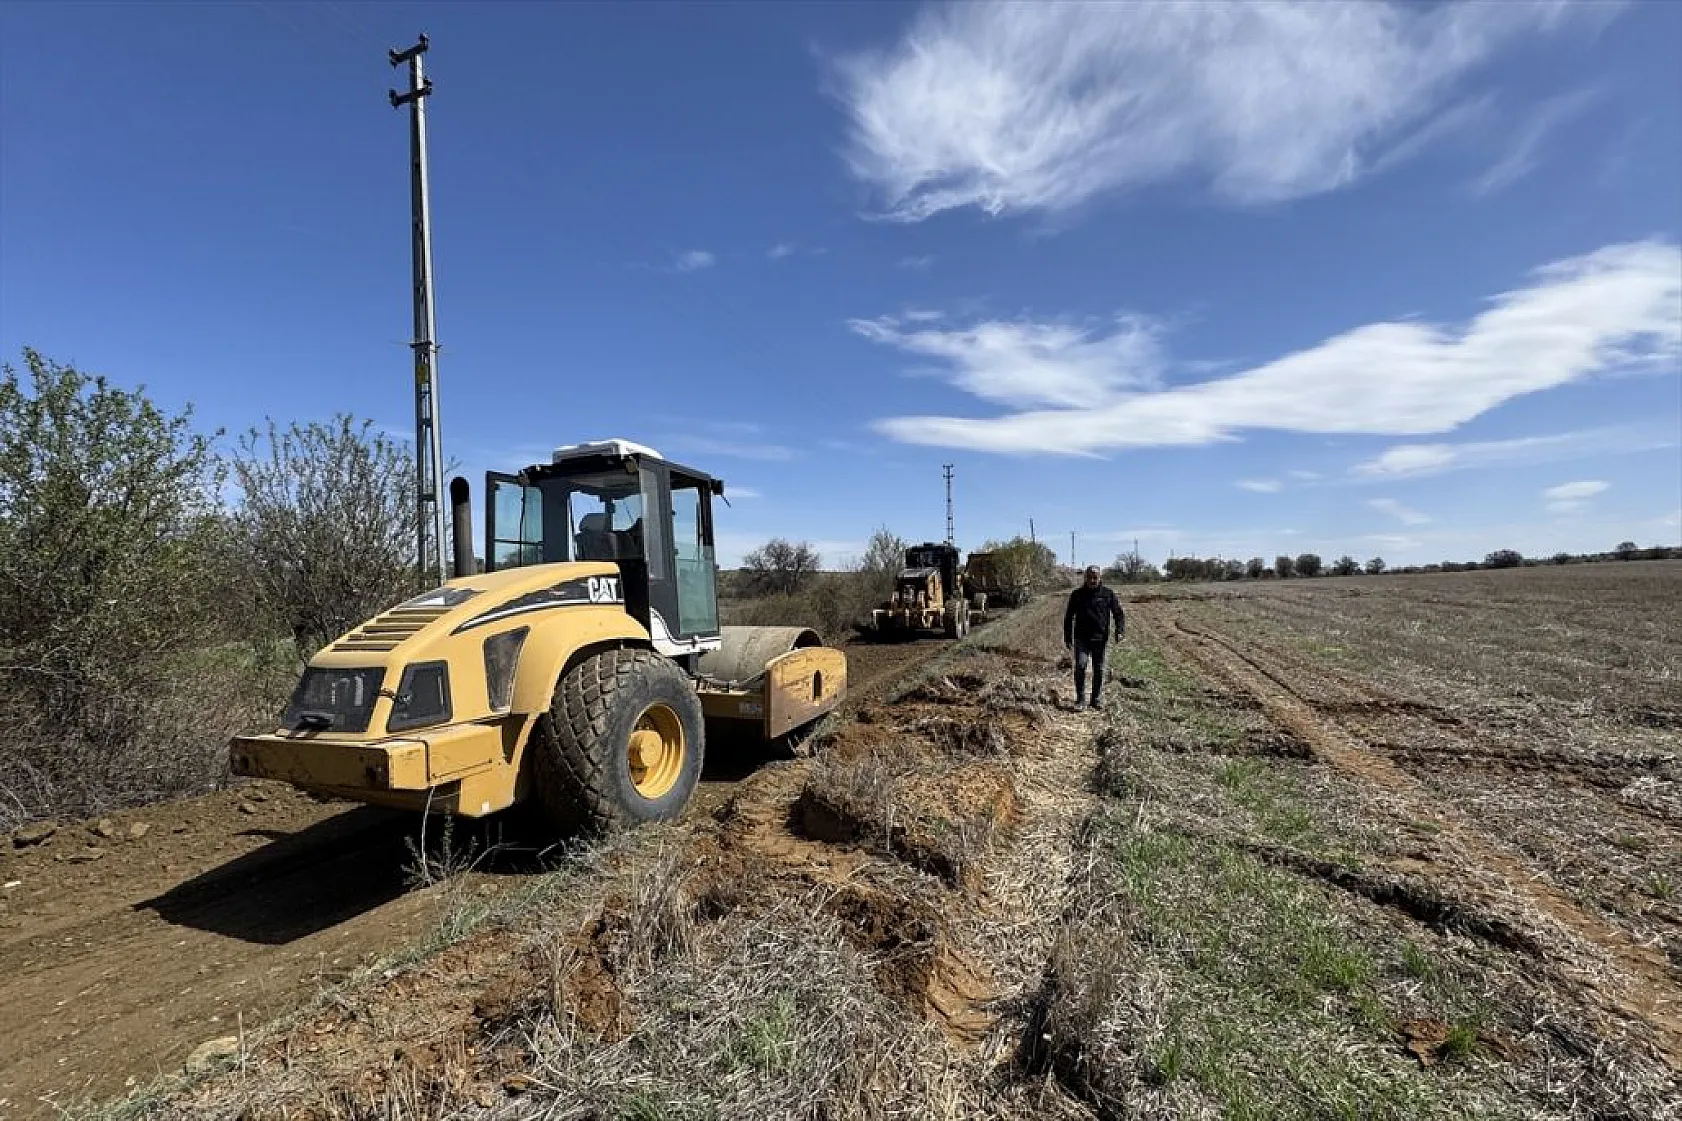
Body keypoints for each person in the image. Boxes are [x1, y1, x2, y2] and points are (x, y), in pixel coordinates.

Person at [1063, 565, 1125, 709]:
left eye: (1095, 577)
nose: (1092, 580)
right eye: (1089, 577)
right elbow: (1069, 617)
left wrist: (1120, 631)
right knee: (1080, 665)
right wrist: (1068, 637)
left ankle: (1096, 699)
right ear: (1085, 577)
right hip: (1081, 638)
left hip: (1100, 638)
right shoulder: (1077, 595)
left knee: (1099, 669)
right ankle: (1080, 699)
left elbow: (1118, 614)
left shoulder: (1108, 594)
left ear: (1100, 578)